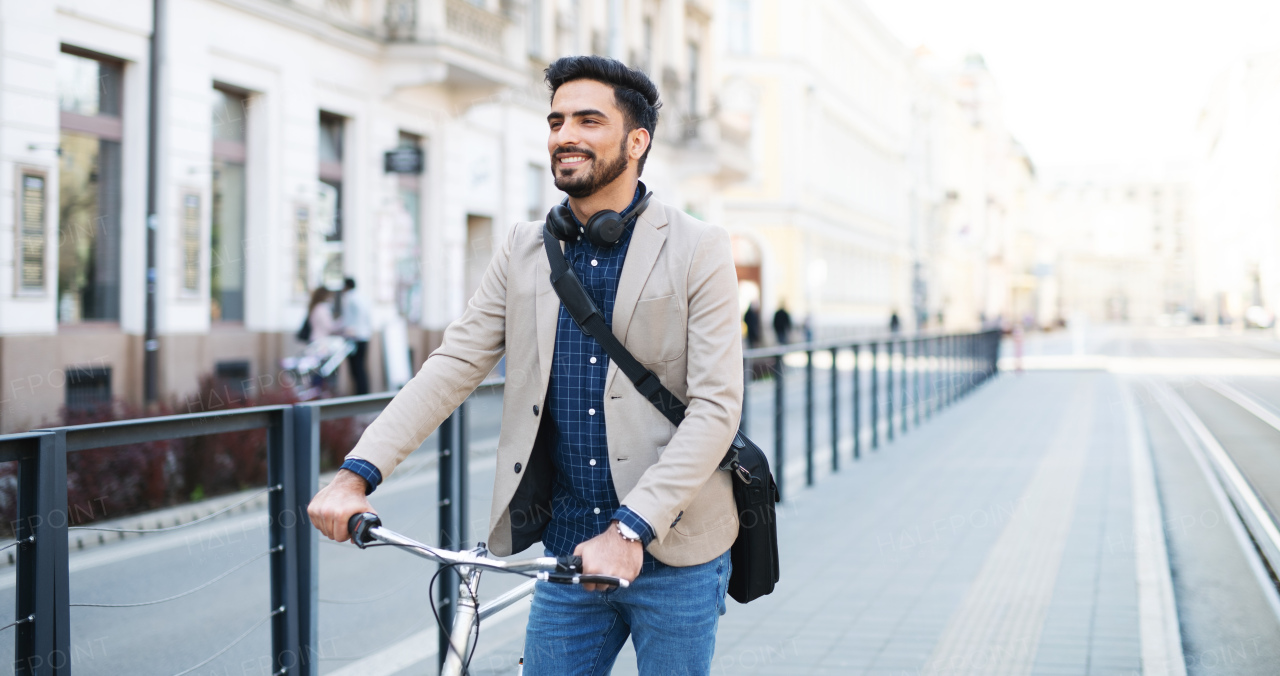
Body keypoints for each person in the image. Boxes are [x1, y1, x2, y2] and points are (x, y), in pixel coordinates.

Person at [307, 56, 742, 676]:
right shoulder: (523, 248)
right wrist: (358, 473)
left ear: (636, 140)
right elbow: (452, 364)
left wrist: (631, 529)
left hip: (675, 548)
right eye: (557, 120)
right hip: (565, 553)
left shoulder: (699, 246)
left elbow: (717, 407)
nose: (566, 134)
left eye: (589, 120)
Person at [340, 277, 372, 395]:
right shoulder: (363, 297)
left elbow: (347, 320)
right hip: (365, 336)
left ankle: (359, 394)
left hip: (353, 338)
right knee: (361, 367)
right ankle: (363, 393)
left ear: (345, 286)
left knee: (355, 369)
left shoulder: (349, 298)